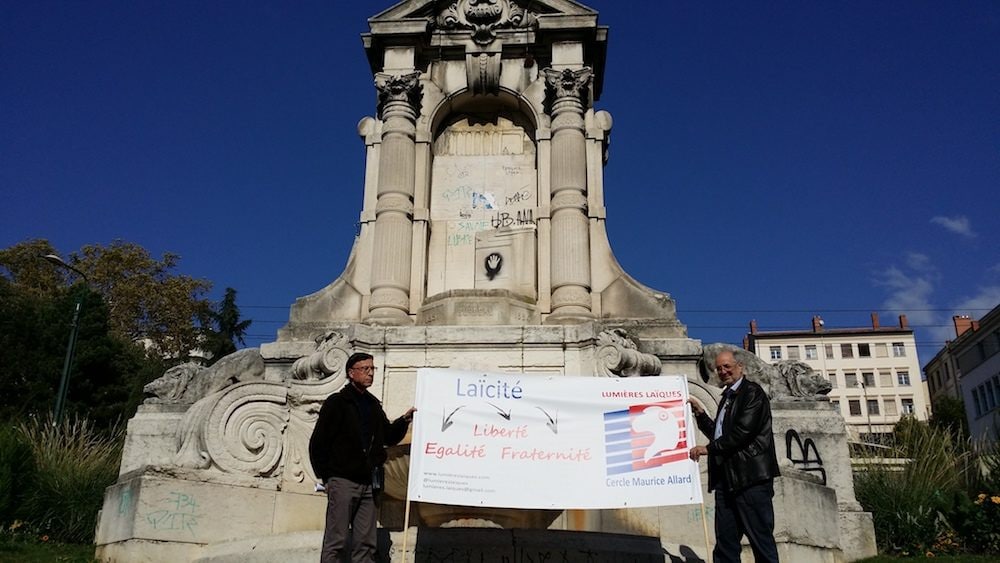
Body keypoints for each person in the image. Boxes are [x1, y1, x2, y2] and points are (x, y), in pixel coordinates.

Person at [309, 352, 415, 563]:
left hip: (369, 483)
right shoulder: (337, 402)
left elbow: (389, 435)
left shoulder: (373, 404)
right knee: (336, 540)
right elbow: (318, 443)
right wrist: (327, 478)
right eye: (365, 369)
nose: (370, 373)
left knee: (366, 543)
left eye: (372, 369)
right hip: (343, 480)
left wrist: (404, 420)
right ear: (351, 373)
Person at [689, 350, 780, 563]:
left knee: (761, 541)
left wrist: (707, 449)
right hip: (727, 481)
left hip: (750, 479)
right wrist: (701, 414)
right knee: (726, 545)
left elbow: (742, 433)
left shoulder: (752, 393)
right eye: (719, 368)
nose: (723, 372)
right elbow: (721, 435)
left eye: (727, 366)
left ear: (740, 367)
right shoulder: (727, 397)